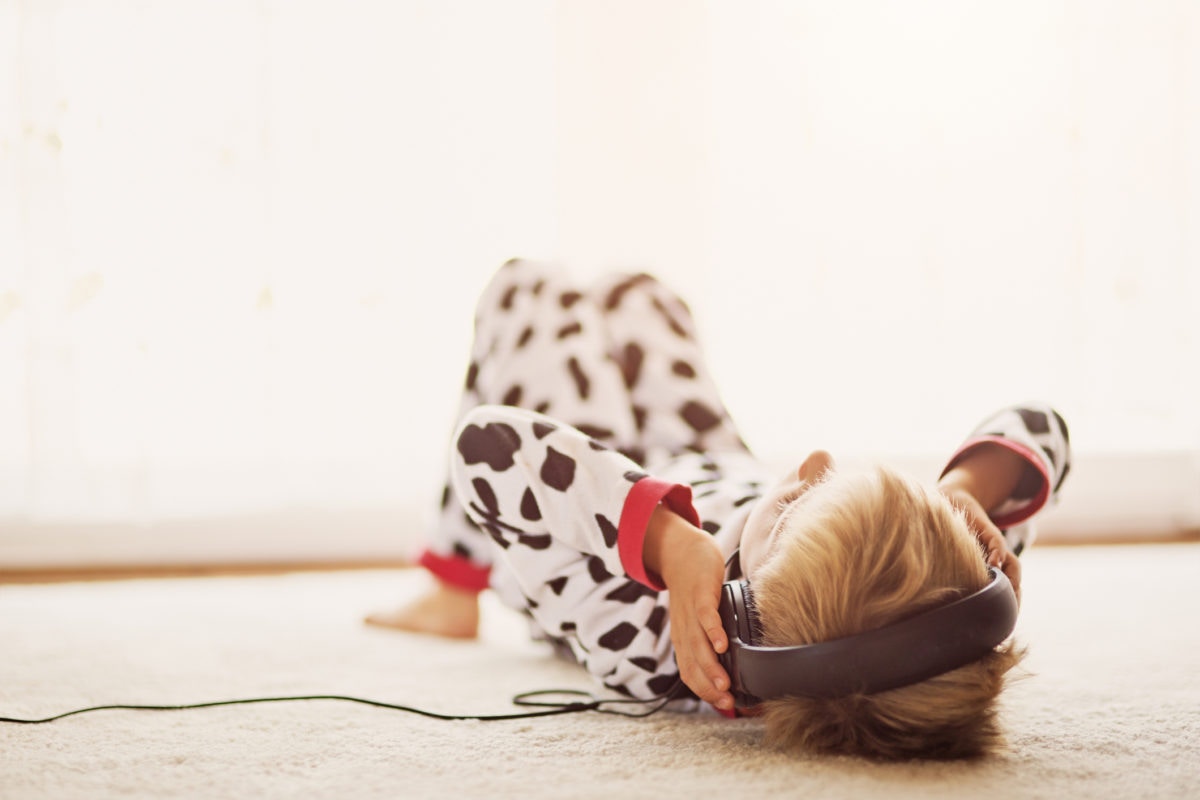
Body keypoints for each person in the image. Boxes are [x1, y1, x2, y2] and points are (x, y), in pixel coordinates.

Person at [367, 258, 1072, 760]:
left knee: (528, 290)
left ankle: (452, 584)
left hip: (594, 515)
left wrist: (672, 547)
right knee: (639, 296)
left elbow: (491, 447)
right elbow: (1043, 426)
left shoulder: (653, 649)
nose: (812, 465)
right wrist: (958, 502)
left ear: (740, 615)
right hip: (704, 462)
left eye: (797, 501)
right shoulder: (940, 593)